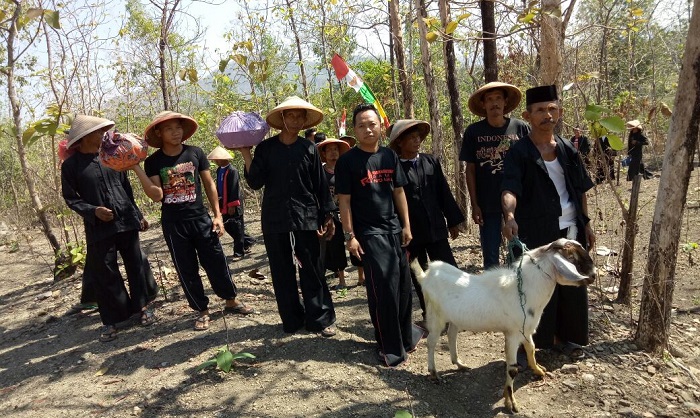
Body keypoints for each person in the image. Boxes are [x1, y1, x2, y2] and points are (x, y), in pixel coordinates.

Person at [133, 111, 253, 331]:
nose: (175, 132)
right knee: (186, 269)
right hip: (174, 224)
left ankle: (230, 299)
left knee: (216, 261)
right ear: (159, 133)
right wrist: (135, 167)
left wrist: (217, 216)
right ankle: (202, 310)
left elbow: (209, 185)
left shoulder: (195, 153)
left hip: (200, 219)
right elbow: (157, 195)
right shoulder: (153, 162)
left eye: (178, 127)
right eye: (169, 129)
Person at [501, 85, 595, 362]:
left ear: (559, 112)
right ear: (528, 115)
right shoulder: (519, 153)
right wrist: (509, 216)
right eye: (540, 110)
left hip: (570, 228)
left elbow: (580, 190)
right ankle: (527, 343)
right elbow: (509, 189)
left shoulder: (568, 150)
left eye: (552, 109)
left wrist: (586, 223)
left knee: (572, 284)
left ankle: (567, 338)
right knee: (535, 288)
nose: (547, 115)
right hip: (537, 229)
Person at [238, 96, 337, 337]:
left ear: (305, 121)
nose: (294, 120)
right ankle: (292, 319)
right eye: (289, 115)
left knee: (312, 268)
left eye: (299, 116)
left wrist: (328, 214)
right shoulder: (266, 149)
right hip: (275, 219)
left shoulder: (309, 149)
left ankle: (320, 319)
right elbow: (255, 181)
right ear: (282, 118)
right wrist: (246, 154)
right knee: (282, 271)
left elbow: (319, 186)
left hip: (306, 216)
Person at [335, 104, 424, 367]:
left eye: (372, 124)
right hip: (369, 234)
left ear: (380, 126)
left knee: (403, 288)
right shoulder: (348, 162)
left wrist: (406, 225)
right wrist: (349, 236)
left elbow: (398, 192)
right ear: (354, 130)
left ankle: (406, 338)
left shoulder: (389, 156)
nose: (367, 129)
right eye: (361, 125)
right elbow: (344, 201)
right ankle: (390, 348)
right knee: (382, 290)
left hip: (394, 230)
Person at [61, 115, 158, 342]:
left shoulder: (113, 156)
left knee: (135, 263)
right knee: (105, 271)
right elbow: (70, 198)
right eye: (98, 132)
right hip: (98, 226)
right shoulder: (71, 166)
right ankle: (113, 319)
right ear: (85, 138)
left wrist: (138, 214)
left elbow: (125, 187)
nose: (104, 135)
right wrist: (93, 210)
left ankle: (142, 308)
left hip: (125, 219)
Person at [388, 119, 464, 324]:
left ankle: (457, 312)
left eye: (418, 137)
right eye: (411, 138)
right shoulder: (393, 168)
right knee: (420, 274)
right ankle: (430, 315)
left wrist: (453, 221)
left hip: (436, 228)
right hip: (411, 233)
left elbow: (443, 192)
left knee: (448, 269)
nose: (417, 141)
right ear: (400, 142)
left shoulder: (431, 162)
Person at [459, 82, 530, 269]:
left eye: (498, 98)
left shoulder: (520, 128)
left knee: (520, 253)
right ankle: (494, 294)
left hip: (519, 202)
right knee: (491, 257)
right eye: (489, 99)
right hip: (487, 202)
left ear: (505, 101)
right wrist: (474, 204)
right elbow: (471, 170)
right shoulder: (473, 132)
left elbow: (531, 165)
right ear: (483, 104)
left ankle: (519, 293)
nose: (494, 103)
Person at [317, 138, 351, 290]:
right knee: (334, 247)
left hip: (349, 213)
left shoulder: (346, 170)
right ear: (323, 154)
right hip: (330, 216)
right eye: (329, 150)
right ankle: (339, 280)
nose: (333, 152)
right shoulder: (319, 173)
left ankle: (360, 277)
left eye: (335, 149)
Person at [207, 146, 251, 260]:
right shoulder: (219, 170)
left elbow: (234, 188)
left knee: (237, 227)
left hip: (233, 204)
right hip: (223, 202)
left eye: (217, 159)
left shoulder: (232, 170)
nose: (215, 162)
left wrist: (232, 205)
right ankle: (248, 241)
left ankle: (239, 252)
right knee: (228, 226)